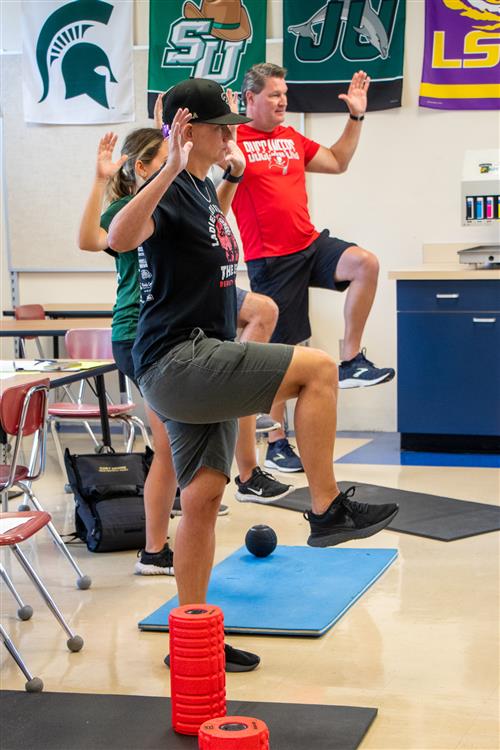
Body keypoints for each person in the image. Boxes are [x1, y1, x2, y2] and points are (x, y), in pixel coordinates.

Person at [107, 78, 399, 672]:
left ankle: (191, 642)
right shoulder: (164, 188)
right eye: (223, 128)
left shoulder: (199, 191)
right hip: (178, 359)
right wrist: (169, 165)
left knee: (205, 495)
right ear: (192, 132)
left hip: (195, 356)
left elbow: (210, 236)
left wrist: (227, 180)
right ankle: (325, 510)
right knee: (318, 368)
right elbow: (117, 236)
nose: (232, 135)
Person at [79, 127, 291, 577]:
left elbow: (211, 224)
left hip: (178, 326)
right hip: (143, 335)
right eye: (169, 156)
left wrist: (228, 173)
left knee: (260, 317)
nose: (181, 161)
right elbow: (91, 240)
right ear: (143, 168)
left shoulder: (182, 198)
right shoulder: (131, 208)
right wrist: (100, 179)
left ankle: (239, 473)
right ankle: (155, 548)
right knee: (165, 447)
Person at [231, 63, 395, 473]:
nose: (282, 100)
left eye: (284, 93)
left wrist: (356, 115)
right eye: (273, 94)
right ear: (250, 99)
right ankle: (276, 441)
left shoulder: (290, 137)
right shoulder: (235, 139)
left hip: (308, 243)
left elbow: (338, 161)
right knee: (280, 354)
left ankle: (351, 359)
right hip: (271, 258)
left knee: (365, 264)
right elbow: (194, 155)